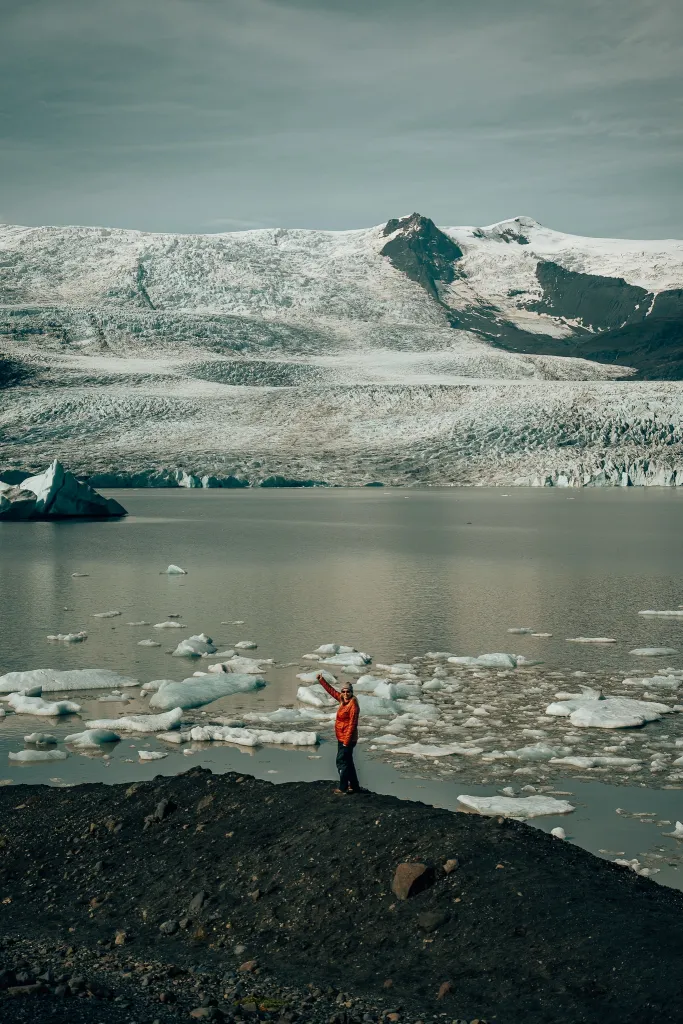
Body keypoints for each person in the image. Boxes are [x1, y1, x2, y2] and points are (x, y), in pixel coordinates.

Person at [316, 673, 362, 794]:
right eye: (344, 691)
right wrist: (322, 680)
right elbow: (332, 692)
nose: (346, 694)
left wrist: (346, 742)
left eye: (348, 692)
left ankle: (343, 787)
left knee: (341, 761)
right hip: (341, 737)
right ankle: (354, 786)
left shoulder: (353, 706)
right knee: (348, 762)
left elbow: (352, 725)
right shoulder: (342, 700)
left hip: (348, 739)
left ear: (352, 692)